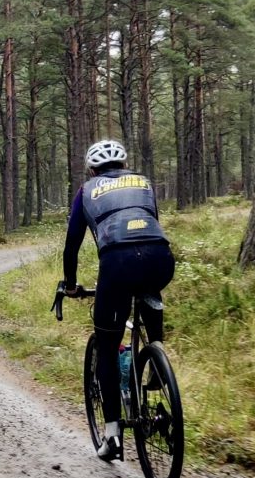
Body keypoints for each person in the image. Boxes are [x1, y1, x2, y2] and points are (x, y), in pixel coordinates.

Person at [58, 139, 176, 461]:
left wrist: (70, 285)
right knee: (150, 285)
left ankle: (112, 436)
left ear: (92, 169)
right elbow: (150, 224)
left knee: (108, 348)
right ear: (124, 165)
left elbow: (72, 245)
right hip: (160, 258)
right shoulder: (144, 183)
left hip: (117, 264)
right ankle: (157, 352)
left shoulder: (86, 191)